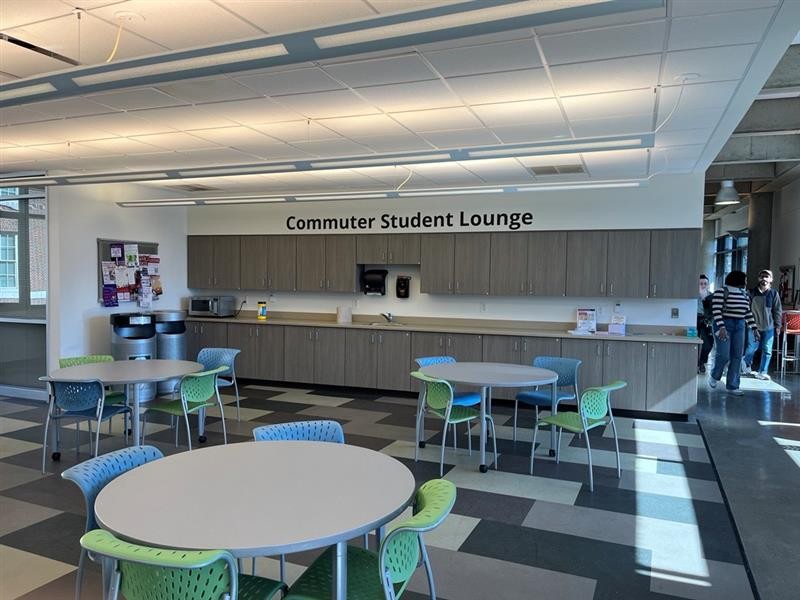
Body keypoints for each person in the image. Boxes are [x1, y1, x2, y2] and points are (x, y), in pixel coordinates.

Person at [708, 270, 759, 396]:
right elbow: (716, 310)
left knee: (737, 355)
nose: (746, 282)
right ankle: (715, 375)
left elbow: (747, 312)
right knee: (724, 354)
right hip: (724, 324)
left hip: (740, 325)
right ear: (738, 280)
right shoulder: (721, 292)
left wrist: (754, 328)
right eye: (745, 279)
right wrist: (721, 327)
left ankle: (733, 385)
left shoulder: (744, 294)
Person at [743, 269, 782, 380]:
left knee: (767, 350)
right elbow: (746, 309)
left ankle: (763, 372)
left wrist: (778, 325)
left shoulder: (774, 293)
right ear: (759, 278)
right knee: (751, 348)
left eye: (767, 276)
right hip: (753, 326)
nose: (764, 278)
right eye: (762, 276)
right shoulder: (751, 292)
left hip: (769, 327)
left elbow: (777, 310)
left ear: (771, 279)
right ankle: (746, 363)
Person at [697, 275, 714, 373]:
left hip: (707, 320)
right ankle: (695, 363)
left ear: (708, 285)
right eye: (701, 283)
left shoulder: (712, 296)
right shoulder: (694, 296)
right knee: (693, 342)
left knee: (708, 344)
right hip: (695, 318)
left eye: (705, 284)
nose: (703, 285)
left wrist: (705, 299)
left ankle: (702, 362)